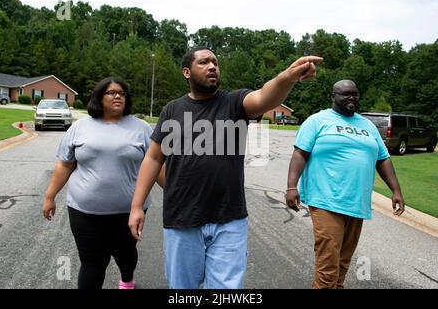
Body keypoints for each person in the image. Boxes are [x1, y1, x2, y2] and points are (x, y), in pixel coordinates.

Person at [128, 46, 323, 289]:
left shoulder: (234, 102)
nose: (212, 66)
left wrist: (288, 76)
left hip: (229, 219)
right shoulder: (172, 110)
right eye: (204, 62)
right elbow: (154, 158)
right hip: (182, 217)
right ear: (187, 72)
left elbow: (265, 97)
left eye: (215, 62)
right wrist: (137, 206)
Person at [42, 77, 161, 289]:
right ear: (99, 97)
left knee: (126, 254)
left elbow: (157, 165)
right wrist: (49, 196)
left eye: (122, 93)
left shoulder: (141, 128)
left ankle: (127, 280)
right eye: (112, 92)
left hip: (129, 212)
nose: (118, 96)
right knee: (92, 262)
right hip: (84, 211)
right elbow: (65, 165)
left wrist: (178, 193)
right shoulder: (80, 127)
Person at [285, 79, 405, 289]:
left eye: (355, 94)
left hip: (356, 202)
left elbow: (383, 158)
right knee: (328, 267)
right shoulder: (317, 121)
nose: (351, 97)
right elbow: (300, 153)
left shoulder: (367, 125)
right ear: (333, 96)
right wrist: (291, 186)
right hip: (325, 200)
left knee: (341, 264)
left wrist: (396, 190)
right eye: (345, 94)